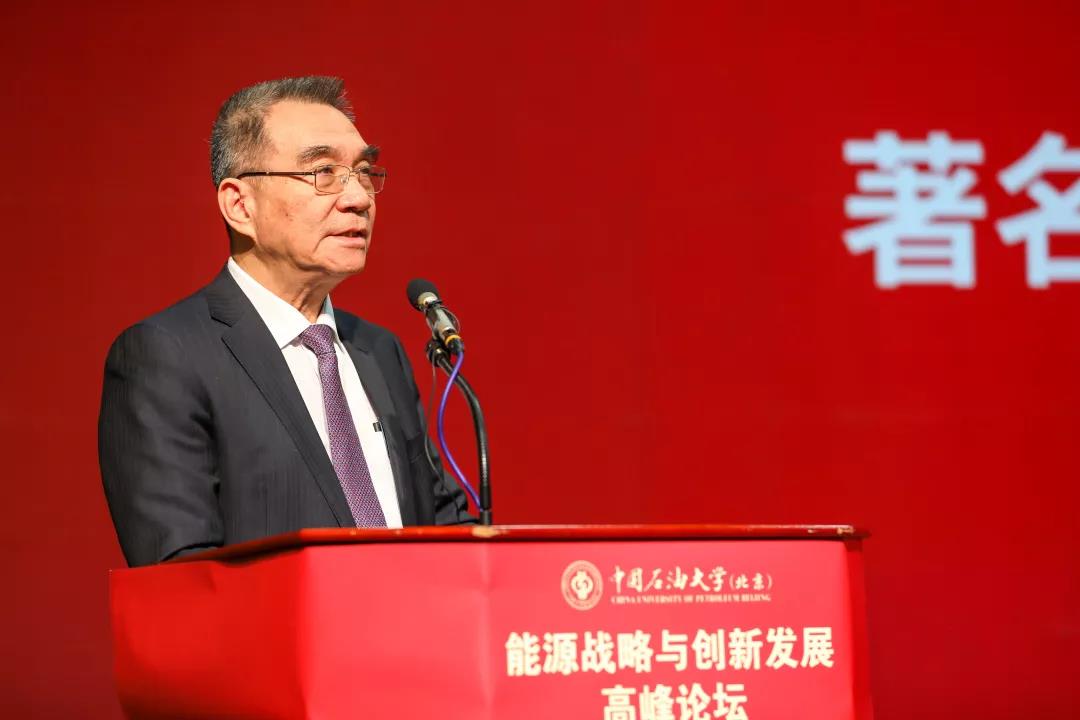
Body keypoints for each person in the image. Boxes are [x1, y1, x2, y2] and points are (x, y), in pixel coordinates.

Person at [99, 76, 473, 567]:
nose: (359, 198)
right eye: (323, 172)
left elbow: (440, 522)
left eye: (363, 172)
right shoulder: (167, 356)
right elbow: (181, 574)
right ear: (240, 205)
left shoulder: (379, 351)